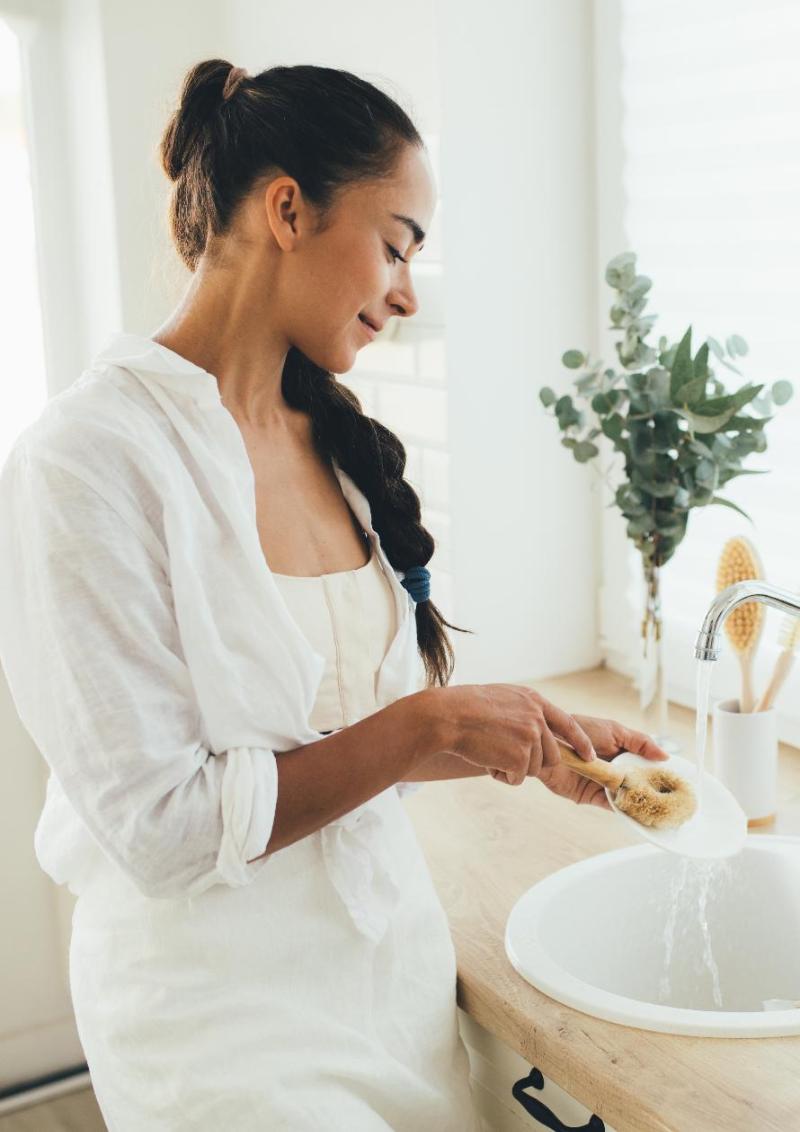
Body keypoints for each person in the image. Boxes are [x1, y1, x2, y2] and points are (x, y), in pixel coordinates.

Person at [0, 60, 668, 1131]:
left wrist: (537, 745)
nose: (407, 289)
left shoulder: (336, 447)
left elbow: (342, 741)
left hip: (385, 972)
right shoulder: (86, 459)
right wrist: (428, 721)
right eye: (398, 241)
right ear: (285, 207)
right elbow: (165, 828)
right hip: (212, 1022)